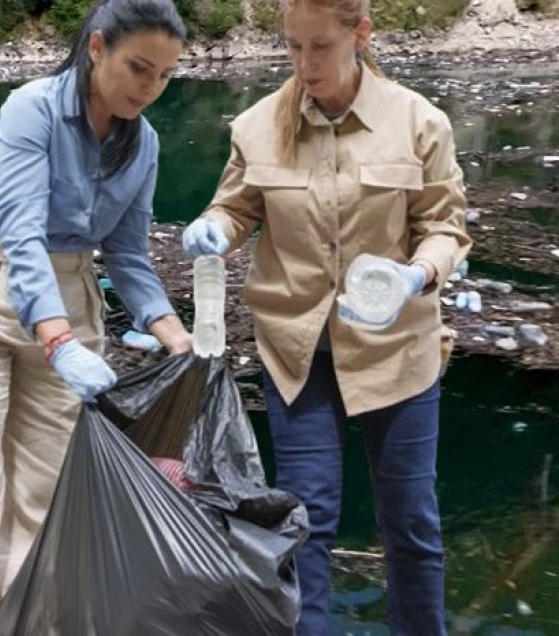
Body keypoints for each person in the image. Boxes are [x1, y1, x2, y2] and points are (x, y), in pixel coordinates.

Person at [0, 0, 191, 631]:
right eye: (139, 67)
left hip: (71, 300)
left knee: (50, 502)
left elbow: (128, 253)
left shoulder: (145, 145)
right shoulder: (31, 108)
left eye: (165, 76)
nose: (150, 88)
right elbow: (23, 235)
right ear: (97, 47)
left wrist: (176, 338)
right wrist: (58, 343)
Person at [182, 0, 471, 633]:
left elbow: (445, 229)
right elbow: (234, 209)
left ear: (360, 34)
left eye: (320, 47)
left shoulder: (419, 122)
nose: (304, 64)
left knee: (412, 524)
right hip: (295, 355)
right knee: (303, 525)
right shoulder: (257, 126)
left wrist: (415, 276)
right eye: (292, 47)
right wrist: (212, 229)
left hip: (398, 353)